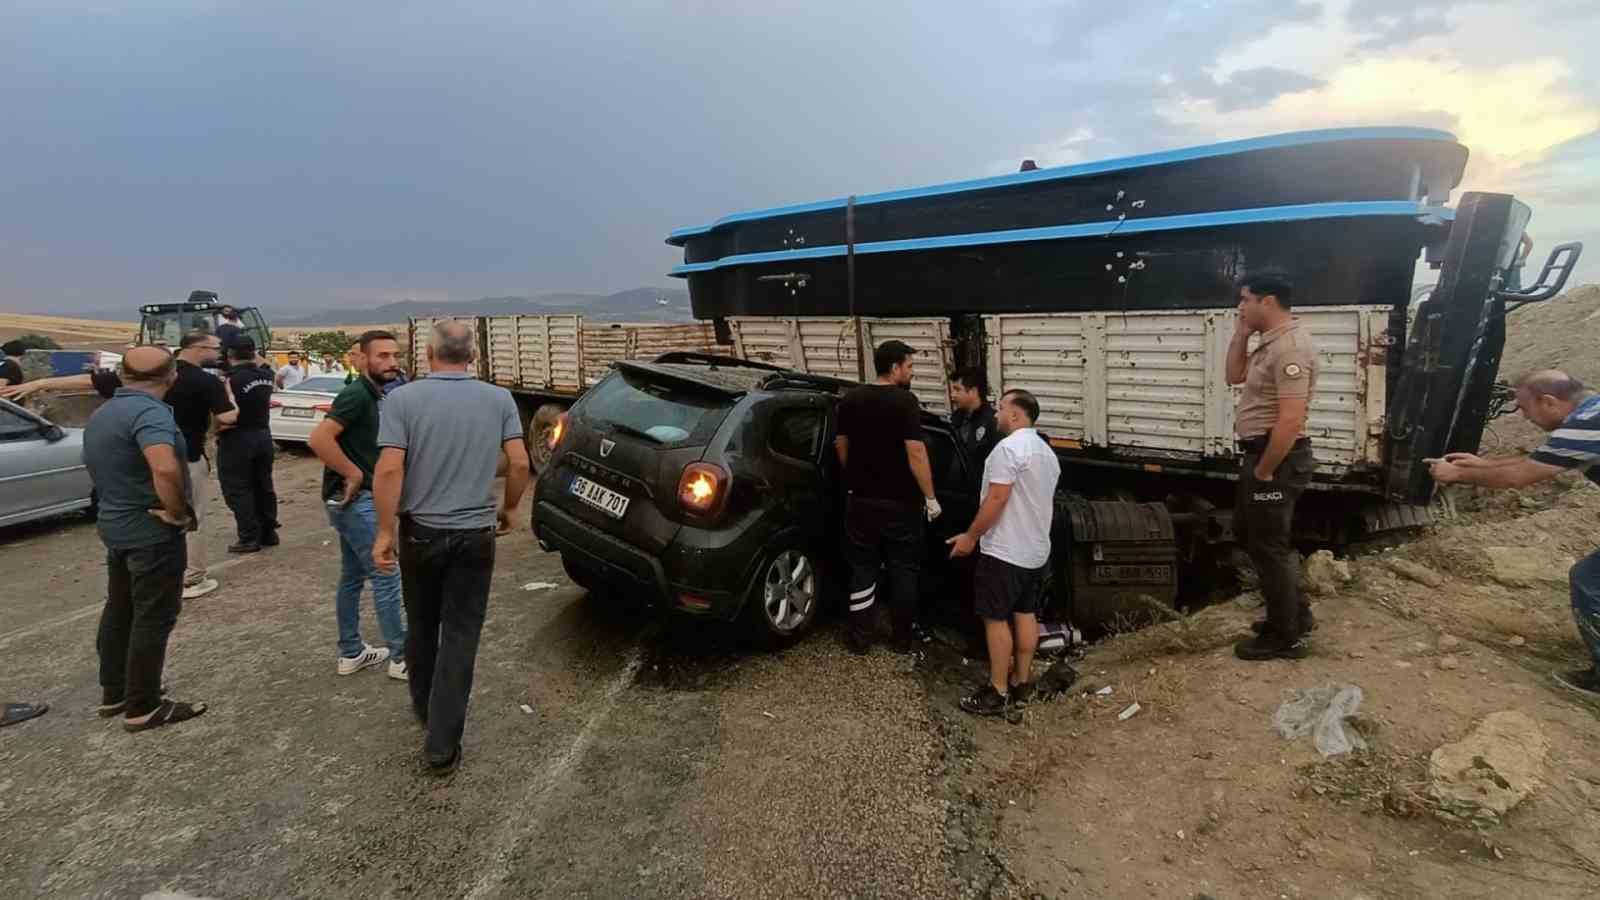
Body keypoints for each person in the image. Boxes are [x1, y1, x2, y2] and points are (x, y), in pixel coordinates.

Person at [372, 320, 530, 775]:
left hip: (420, 532)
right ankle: (442, 745)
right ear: (474, 356)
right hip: (476, 534)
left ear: (427, 354)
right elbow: (519, 461)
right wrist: (510, 507)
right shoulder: (498, 399)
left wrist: (385, 531)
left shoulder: (401, 400)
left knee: (421, 625)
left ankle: (425, 710)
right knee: (461, 634)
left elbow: (388, 470)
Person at [1430, 370, 1600, 697]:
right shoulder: (1590, 411)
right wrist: (1478, 465)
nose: (1523, 416)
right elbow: (1541, 458)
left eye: (1524, 407)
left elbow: (1519, 477)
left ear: (1548, 402)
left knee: (1588, 580)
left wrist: (1458, 475)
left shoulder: (1582, 427)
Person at [82, 345, 206, 731]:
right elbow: (165, 468)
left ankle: (115, 692)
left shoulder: (105, 412)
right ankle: (144, 705)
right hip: (150, 532)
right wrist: (177, 511)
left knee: (120, 609)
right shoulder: (149, 414)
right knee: (154, 615)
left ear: (122, 375)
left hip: (115, 524)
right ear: (172, 375)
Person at [948, 389, 1061, 714]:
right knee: (1026, 614)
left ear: (1015, 415)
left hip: (1005, 551)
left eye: (1000, 409)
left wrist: (970, 536)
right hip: (1036, 551)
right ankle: (1022, 683)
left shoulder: (1008, 449)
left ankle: (997, 691)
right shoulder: (1045, 452)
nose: (996, 415)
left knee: (995, 618)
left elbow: (997, 499)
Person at [1226, 272, 1319, 661]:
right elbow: (1234, 375)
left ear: (1268, 301)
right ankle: (1294, 615)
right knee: (1254, 537)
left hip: (1276, 458)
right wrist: (1240, 333)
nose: (1241, 306)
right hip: (1263, 456)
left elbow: (1290, 420)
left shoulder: (1291, 349)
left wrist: (1265, 470)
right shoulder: (1270, 342)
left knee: (1269, 546)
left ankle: (1286, 637)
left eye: (1246, 300)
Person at [307, 330, 408, 681]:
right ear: (361, 358)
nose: (391, 363)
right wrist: (352, 472)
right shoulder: (357, 395)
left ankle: (351, 651)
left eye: (395, 355)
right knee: (386, 573)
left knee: (352, 575)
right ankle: (402, 657)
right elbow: (319, 438)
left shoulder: (373, 393)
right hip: (357, 500)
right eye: (382, 356)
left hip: (351, 500)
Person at [835, 339, 942, 655]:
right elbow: (916, 452)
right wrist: (931, 498)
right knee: (903, 569)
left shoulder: (851, 399)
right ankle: (901, 639)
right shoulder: (905, 402)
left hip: (861, 501)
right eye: (909, 366)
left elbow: (841, 444)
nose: (912, 373)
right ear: (895, 367)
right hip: (901, 504)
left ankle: (859, 637)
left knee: (862, 567)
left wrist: (854, 476)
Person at [164, 333, 238, 598]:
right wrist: (228, 393)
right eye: (217, 348)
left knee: (160, 515)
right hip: (188, 458)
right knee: (193, 518)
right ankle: (191, 578)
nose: (220, 352)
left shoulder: (156, 374)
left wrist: (42, 384)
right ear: (198, 348)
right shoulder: (205, 381)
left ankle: (161, 574)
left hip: (151, 455)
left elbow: (96, 382)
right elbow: (228, 416)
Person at [218, 340, 279, 553]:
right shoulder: (266, 375)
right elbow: (265, 364)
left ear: (229, 354)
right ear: (253, 353)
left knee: (238, 488)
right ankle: (269, 532)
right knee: (263, 485)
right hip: (263, 434)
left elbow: (225, 414)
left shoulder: (230, 380)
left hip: (237, 436)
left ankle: (248, 537)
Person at [949, 367, 1000, 477]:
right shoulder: (956, 418)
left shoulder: (993, 421)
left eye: (957, 390)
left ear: (973, 391)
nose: (952, 395)